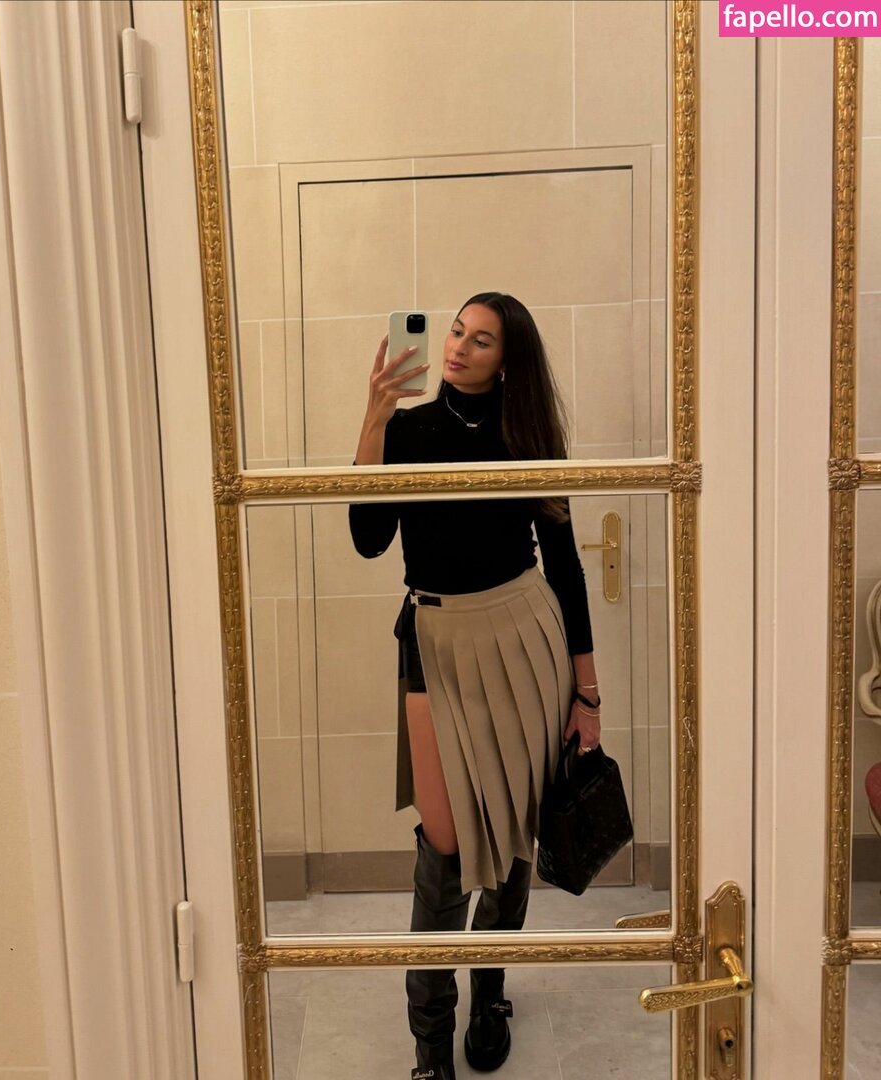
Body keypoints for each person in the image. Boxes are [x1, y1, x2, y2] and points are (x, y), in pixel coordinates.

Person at [349, 293, 600, 1080]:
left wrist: (587, 694)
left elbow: (564, 566)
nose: (458, 346)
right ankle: (430, 1048)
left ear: (507, 359)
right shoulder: (407, 430)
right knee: (446, 845)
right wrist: (374, 416)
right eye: (456, 331)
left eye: (480, 339)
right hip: (433, 640)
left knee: (514, 828)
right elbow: (366, 538)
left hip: (525, 637)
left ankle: (489, 990)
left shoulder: (528, 436)